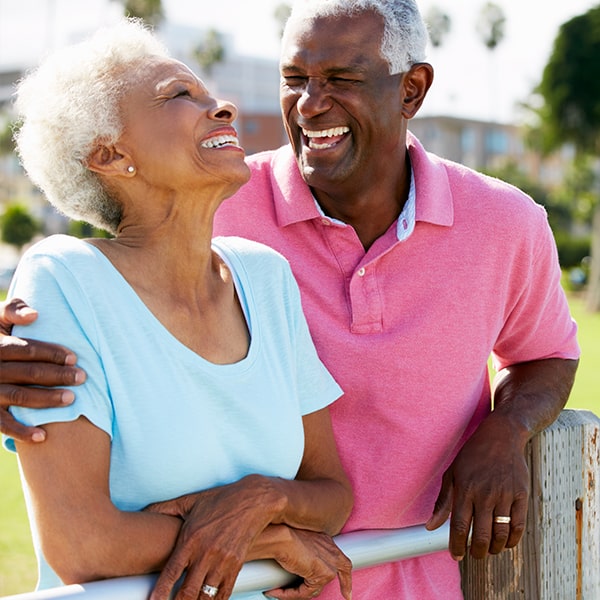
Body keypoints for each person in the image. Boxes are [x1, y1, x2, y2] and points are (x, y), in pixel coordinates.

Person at [0, 1, 580, 598]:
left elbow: (546, 352)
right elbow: (106, 275)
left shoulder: (504, 222)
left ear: (411, 90)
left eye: (341, 80)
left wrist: (506, 428)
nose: (308, 104)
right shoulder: (210, 201)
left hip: (419, 573)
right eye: (294, 79)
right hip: (268, 581)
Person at [0, 18, 354, 600]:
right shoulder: (65, 279)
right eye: (179, 96)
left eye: (210, 94)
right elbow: (82, 547)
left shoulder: (264, 276)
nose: (223, 108)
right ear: (111, 156)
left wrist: (259, 500)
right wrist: (266, 539)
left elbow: (332, 495)